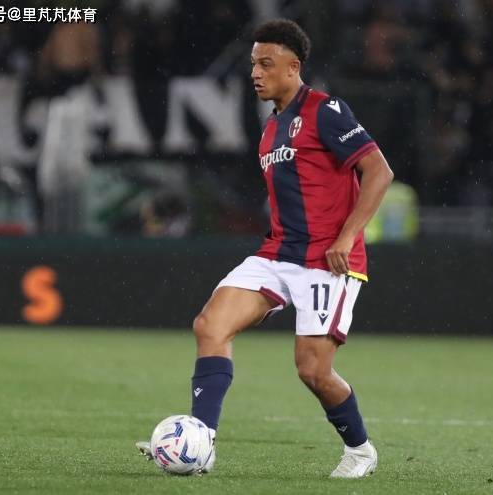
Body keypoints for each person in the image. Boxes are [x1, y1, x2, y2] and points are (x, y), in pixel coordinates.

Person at [137, 19, 394, 478]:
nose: (256, 73)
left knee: (313, 371)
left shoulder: (326, 110)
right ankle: (201, 444)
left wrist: (347, 236)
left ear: (293, 67)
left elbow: (379, 171)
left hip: (328, 259)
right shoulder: (271, 128)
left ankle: (360, 450)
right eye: (254, 63)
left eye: (267, 64)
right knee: (210, 325)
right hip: (279, 253)